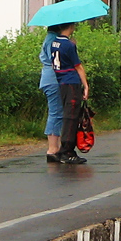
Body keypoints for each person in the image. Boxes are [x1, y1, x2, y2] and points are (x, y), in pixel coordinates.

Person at [47, 23, 90, 164]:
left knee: (67, 113)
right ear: (70, 27)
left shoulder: (55, 43)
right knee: (71, 116)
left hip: (61, 81)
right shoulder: (69, 45)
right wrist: (85, 85)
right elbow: (78, 66)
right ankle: (67, 150)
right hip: (71, 81)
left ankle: (64, 148)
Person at [38, 27, 63, 162]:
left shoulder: (50, 38)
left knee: (57, 112)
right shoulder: (53, 40)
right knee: (56, 112)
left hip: (49, 78)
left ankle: (55, 146)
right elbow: (57, 60)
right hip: (53, 79)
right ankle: (53, 148)